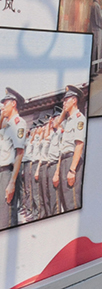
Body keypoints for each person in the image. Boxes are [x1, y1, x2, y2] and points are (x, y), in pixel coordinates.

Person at [53, 86, 87, 211]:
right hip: (63, 161)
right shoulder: (67, 121)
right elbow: (56, 124)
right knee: (65, 201)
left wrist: (72, 170)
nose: (64, 103)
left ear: (74, 100)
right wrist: (57, 172)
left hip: (72, 161)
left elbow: (79, 145)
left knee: (72, 201)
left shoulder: (79, 118)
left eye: (66, 100)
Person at [0, 88, 28, 229]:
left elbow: (19, 153)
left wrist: (12, 183)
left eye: (5, 104)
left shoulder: (18, 124)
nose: (2, 107)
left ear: (13, 103)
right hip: (2, 172)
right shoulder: (6, 126)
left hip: (8, 173)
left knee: (7, 218)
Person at [89, 0, 102, 78]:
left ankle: (94, 71)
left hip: (96, 30)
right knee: (95, 51)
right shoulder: (96, 5)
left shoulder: (95, 5)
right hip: (96, 30)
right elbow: (99, 19)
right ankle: (92, 71)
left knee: (95, 51)